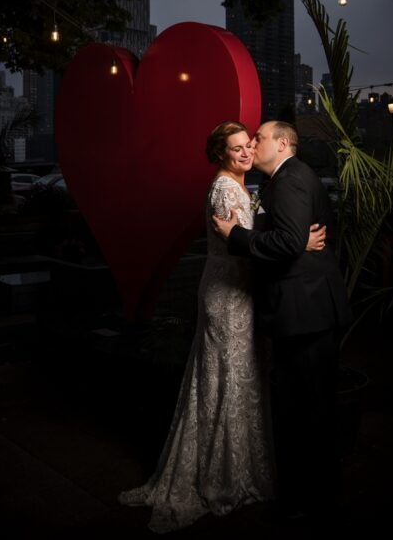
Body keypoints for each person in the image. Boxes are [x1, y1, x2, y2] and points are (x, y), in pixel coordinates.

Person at [119, 121, 326, 533]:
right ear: (221, 155)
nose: (246, 152)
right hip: (228, 294)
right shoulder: (225, 189)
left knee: (239, 376)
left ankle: (239, 465)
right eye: (235, 149)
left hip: (239, 291)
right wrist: (298, 243)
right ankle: (225, 476)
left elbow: (253, 234)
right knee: (228, 377)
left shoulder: (240, 186)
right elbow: (244, 248)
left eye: (248, 144)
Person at [212, 120, 352, 522]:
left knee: (305, 411)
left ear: (283, 143)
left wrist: (236, 235)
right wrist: (300, 242)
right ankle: (313, 496)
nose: (253, 145)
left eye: (259, 138)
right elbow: (295, 237)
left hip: (304, 311)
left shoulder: (290, 179)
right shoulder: (289, 178)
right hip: (306, 308)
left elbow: (289, 242)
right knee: (309, 409)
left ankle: (307, 502)